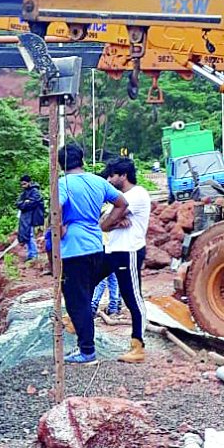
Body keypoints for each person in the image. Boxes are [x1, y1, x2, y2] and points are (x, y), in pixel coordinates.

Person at [58, 143, 129, 363]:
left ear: (61, 164)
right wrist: (105, 223)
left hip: (73, 251)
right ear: (82, 160)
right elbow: (122, 203)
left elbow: (55, 210)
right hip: (96, 246)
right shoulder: (98, 181)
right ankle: (85, 343)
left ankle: (87, 351)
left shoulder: (63, 183)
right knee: (85, 294)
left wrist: (60, 228)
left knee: (77, 301)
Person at [100, 157, 151, 363]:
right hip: (113, 249)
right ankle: (74, 321)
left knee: (132, 298)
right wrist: (112, 220)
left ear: (124, 176)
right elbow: (104, 221)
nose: (109, 179)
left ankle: (138, 346)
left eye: (112, 175)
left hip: (128, 251)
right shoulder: (119, 199)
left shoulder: (137, 195)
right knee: (89, 280)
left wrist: (111, 220)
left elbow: (105, 222)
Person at [16, 175, 45, 262]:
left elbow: (33, 203)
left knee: (30, 235)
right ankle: (30, 254)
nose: (23, 186)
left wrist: (25, 203)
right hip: (26, 217)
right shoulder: (24, 193)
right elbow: (18, 203)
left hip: (32, 217)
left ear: (29, 182)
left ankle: (34, 254)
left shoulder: (35, 191)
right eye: (22, 184)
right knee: (27, 235)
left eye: (24, 184)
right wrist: (25, 203)